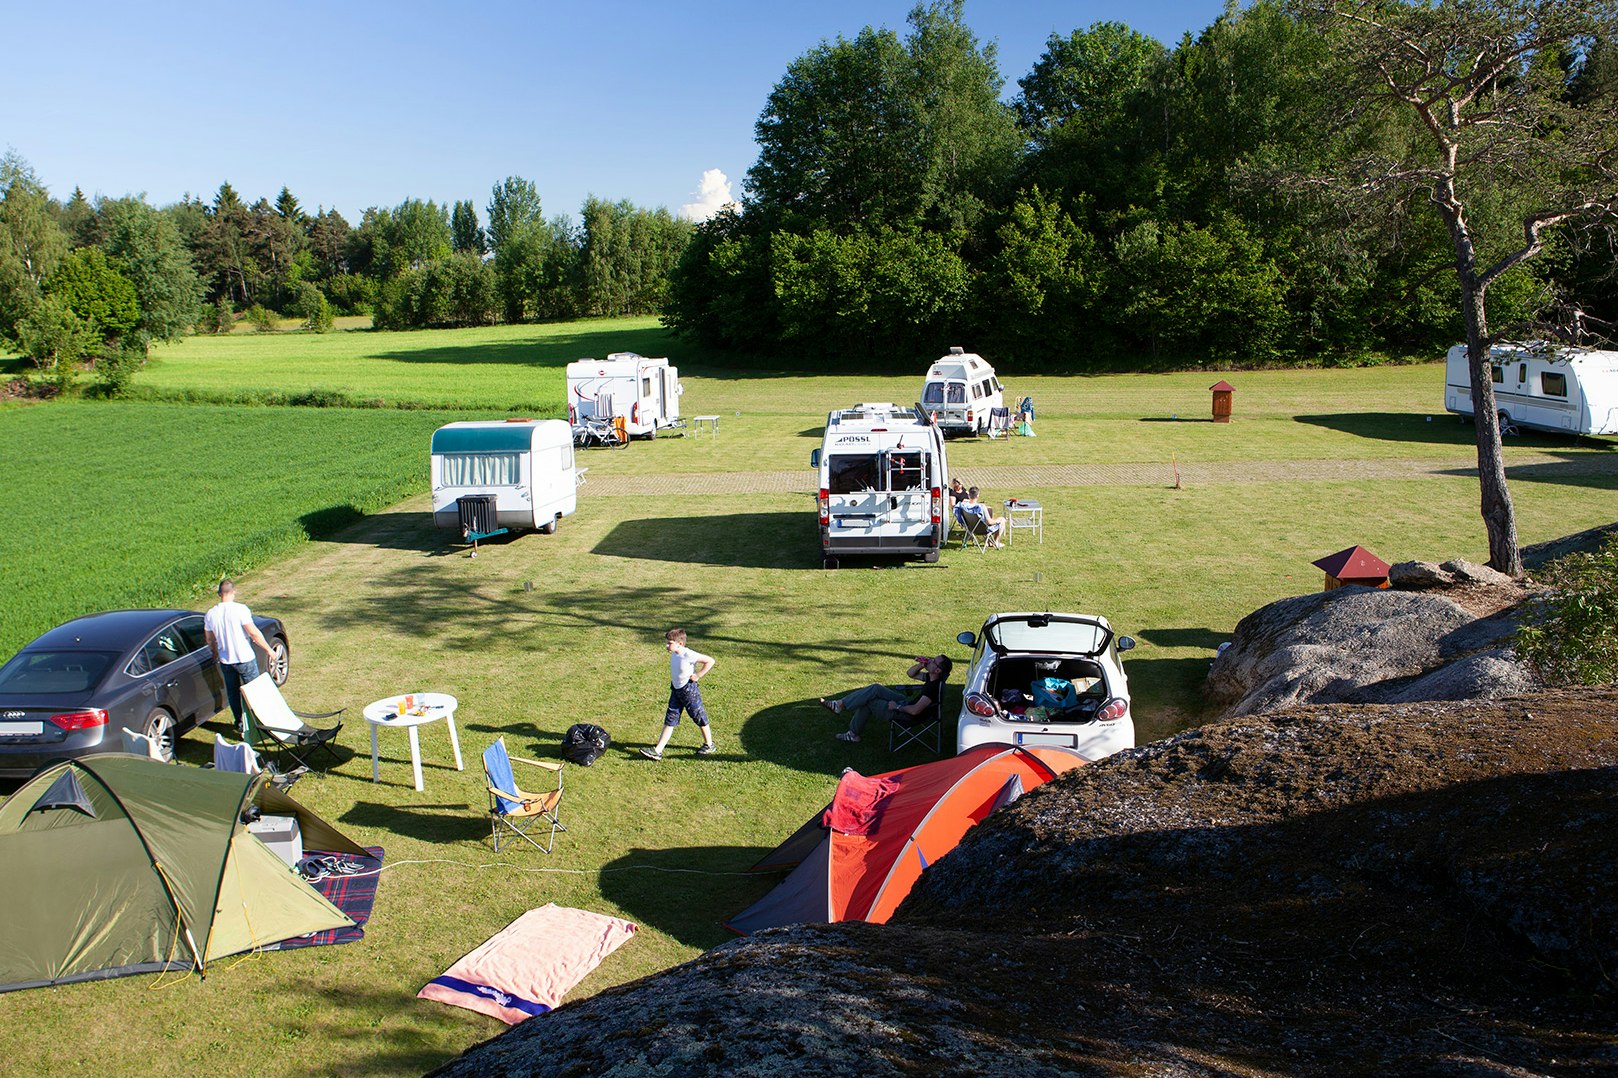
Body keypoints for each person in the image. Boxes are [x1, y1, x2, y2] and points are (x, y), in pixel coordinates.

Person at [821, 654, 952, 743]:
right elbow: (910, 674)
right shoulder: (933, 678)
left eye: (934, 662)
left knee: (869, 701)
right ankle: (840, 706)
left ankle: (851, 731)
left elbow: (915, 711)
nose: (930, 661)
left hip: (906, 714)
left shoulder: (933, 688)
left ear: (938, 670)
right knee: (875, 688)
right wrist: (921, 664)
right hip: (907, 704)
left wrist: (897, 707)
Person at [204, 578, 278, 732]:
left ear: (219, 594)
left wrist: (215, 653)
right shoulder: (240, 610)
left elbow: (210, 639)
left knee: (233, 693)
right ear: (233, 592)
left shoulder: (211, 614)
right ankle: (261, 721)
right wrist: (269, 650)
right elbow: (253, 633)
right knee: (254, 690)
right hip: (244, 658)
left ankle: (240, 723)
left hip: (226, 660)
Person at [641, 628, 717, 760]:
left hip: (688, 691)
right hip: (676, 690)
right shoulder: (675, 653)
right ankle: (658, 751)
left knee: (698, 716)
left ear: (680, 644)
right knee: (670, 718)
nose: (666, 645)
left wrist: (698, 675)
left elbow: (710, 661)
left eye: (669, 643)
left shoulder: (688, 654)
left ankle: (709, 744)